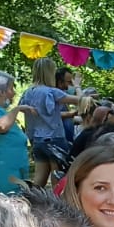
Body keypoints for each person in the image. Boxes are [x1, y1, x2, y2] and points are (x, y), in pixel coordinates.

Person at [18, 57, 86, 187]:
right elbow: (82, 100)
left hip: (37, 140)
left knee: (39, 179)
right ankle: (57, 207)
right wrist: (77, 85)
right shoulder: (52, 92)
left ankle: (31, 204)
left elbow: (22, 109)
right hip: (55, 139)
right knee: (58, 180)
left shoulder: (28, 92)